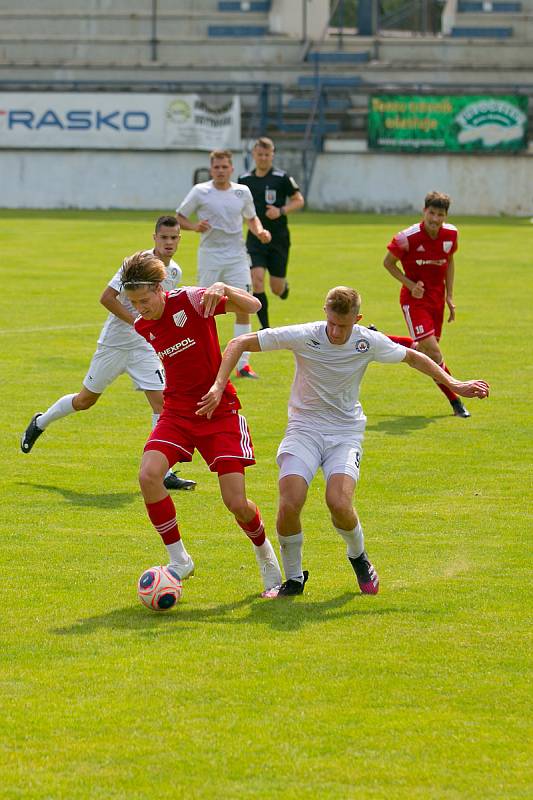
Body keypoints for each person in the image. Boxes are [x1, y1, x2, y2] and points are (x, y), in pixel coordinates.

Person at [197, 286, 489, 597]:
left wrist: (455, 383)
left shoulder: (367, 340)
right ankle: (294, 580)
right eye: (332, 323)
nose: (336, 332)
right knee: (290, 500)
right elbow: (239, 341)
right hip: (304, 429)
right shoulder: (306, 334)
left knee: (338, 502)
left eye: (344, 326)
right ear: (325, 312)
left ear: (358, 319)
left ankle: (358, 556)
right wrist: (218, 385)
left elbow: (413, 358)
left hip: (345, 433)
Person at [120, 251, 282, 597]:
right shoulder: (142, 325)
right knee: (149, 475)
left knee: (236, 502)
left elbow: (252, 306)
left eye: (144, 300)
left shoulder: (193, 300)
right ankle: (179, 560)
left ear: (161, 288)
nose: (140, 308)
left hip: (218, 411)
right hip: (177, 412)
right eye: (133, 302)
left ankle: (265, 556)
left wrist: (221, 286)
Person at [20, 215, 196, 491]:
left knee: (162, 405)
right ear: (154, 238)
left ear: (179, 239)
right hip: (114, 344)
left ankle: (163, 472)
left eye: (174, 238)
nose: (169, 243)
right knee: (85, 401)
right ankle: (41, 422)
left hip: (144, 348)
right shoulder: (135, 265)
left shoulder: (175, 272)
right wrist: (136, 323)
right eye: (164, 237)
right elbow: (106, 297)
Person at [176, 148, 271, 379]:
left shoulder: (242, 191)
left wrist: (259, 231)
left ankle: (243, 366)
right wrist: (194, 226)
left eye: (224, 167)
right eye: (216, 167)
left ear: (232, 169)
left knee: (244, 305)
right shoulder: (201, 191)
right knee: (204, 308)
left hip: (237, 256)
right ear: (211, 169)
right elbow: (180, 216)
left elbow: (251, 217)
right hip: (210, 255)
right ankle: (204, 359)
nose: (220, 171)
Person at [383, 190, 471, 418]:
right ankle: (456, 397)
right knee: (433, 352)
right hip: (414, 302)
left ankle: (380, 337)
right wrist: (410, 284)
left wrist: (449, 296)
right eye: (431, 213)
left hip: (436, 301)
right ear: (424, 211)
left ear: (446, 216)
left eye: (440, 214)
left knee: (425, 352)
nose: (435, 219)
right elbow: (388, 263)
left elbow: (450, 262)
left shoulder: (451, 235)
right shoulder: (406, 237)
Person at [238, 137, 305, 329]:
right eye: (260, 154)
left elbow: (298, 200)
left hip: (279, 239)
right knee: (256, 280)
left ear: (272, 155)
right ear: (254, 155)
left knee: (276, 288)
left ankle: (283, 288)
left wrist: (281, 210)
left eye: (267, 155)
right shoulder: (244, 180)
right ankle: (265, 327)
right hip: (255, 238)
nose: (263, 158)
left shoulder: (281, 178)